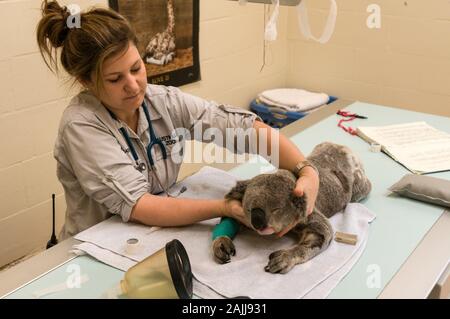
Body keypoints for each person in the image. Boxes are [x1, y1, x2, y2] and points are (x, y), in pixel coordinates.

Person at [36, 0, 319, 240]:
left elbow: (239, 129)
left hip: (153, 233)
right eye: (115, 79)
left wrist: (306, 171)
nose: (134, 86)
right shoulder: (81, 126)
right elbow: (140, 206)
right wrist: (225, 207)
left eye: (137, 68)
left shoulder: (161, 101)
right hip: (96, 244)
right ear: (86, 80)